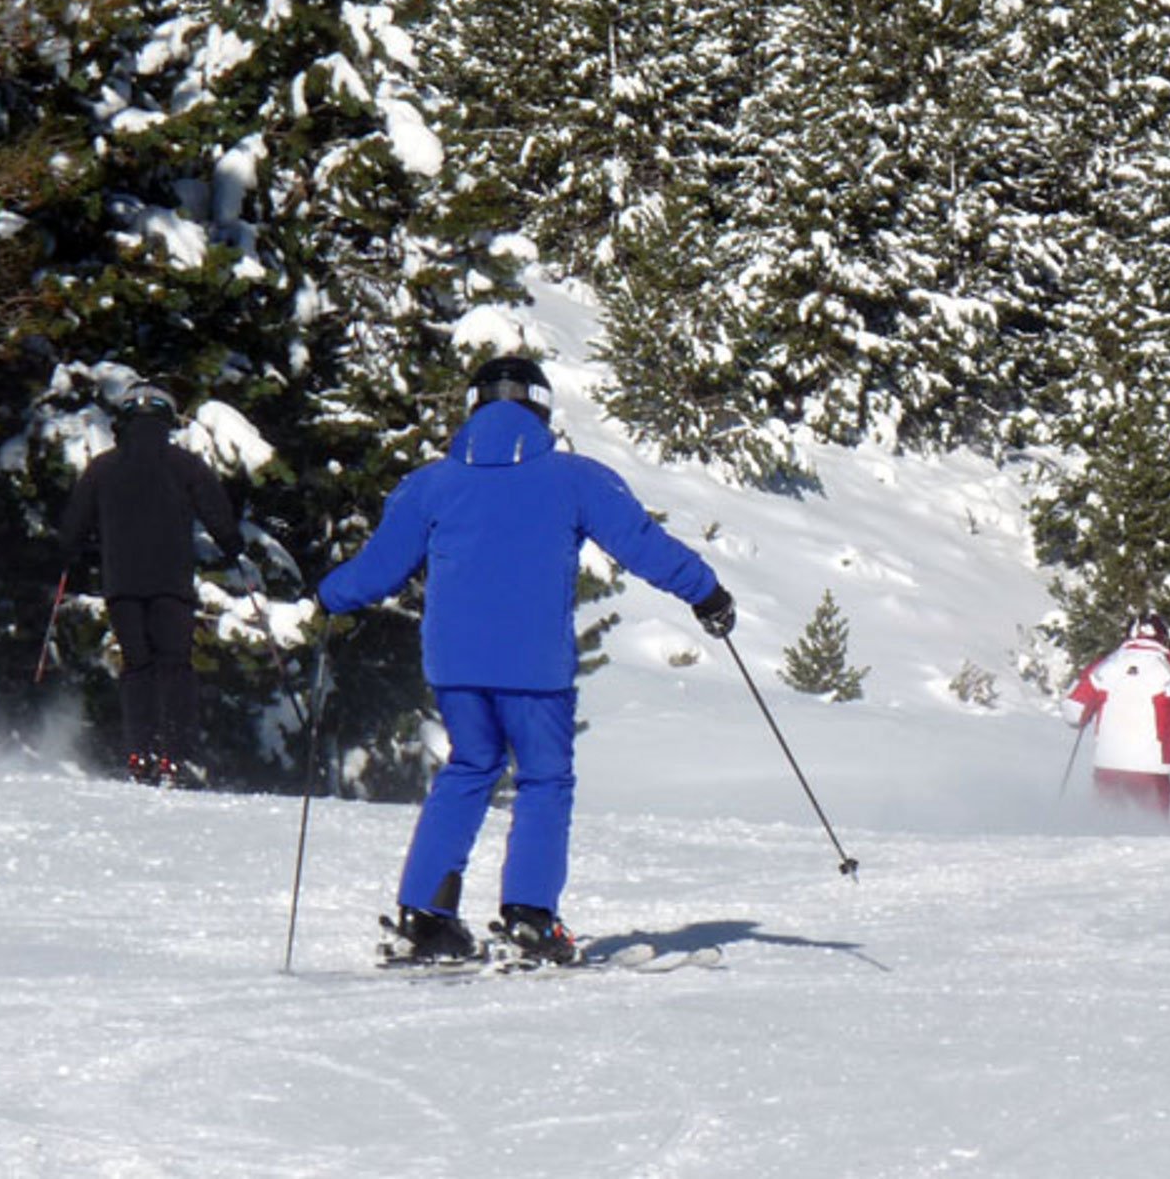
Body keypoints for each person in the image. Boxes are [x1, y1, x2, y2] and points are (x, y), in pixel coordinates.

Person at [317, 355, 735, 966]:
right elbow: (642, 545)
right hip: (533, 665)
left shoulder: (430, 483)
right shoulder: (575, 479)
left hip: (455, 664)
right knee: (543, 779)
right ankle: (530, 919)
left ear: (473, 407)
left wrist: (327, 598)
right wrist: (707, 593)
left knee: (470, 767)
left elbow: (379, 569)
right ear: (541, 406)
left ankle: (425, 917)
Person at [58, 380, 244, 787]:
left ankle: (139, 753)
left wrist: (64, 556)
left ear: (123, 421)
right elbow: (218, 513)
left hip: (122, 583)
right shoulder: (186, 464)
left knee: (137, 664)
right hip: (171, 582)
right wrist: (232, 546)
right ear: (167, 419)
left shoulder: (102, 468)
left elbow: (72, 527)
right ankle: (176, 757)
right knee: (174, 665)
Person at [1062, 612, 1170, 824]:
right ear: (1164, 637)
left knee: (1102, 831)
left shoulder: (1105, 666)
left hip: (1107, 765)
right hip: (1152, 768)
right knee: (1150, 838)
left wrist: (1088, 714)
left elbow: (1073, 711)